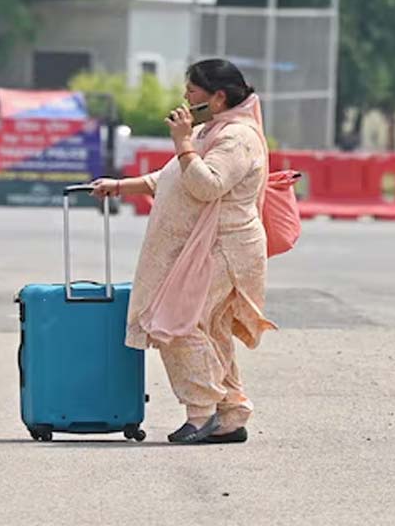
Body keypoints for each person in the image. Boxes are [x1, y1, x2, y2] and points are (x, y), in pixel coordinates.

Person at [91, 59, 277, 445]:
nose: (185, 99)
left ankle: (201, 411)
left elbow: (207, 185)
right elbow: (173, 177)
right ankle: (230, 414)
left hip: (224, 247)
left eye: (192, 91)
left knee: (176, 321)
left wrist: (182, 143)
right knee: (209, 328)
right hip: (209, 247)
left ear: (219, 97)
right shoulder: (215, 130)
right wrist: (121, 186)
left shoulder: (237, 138)